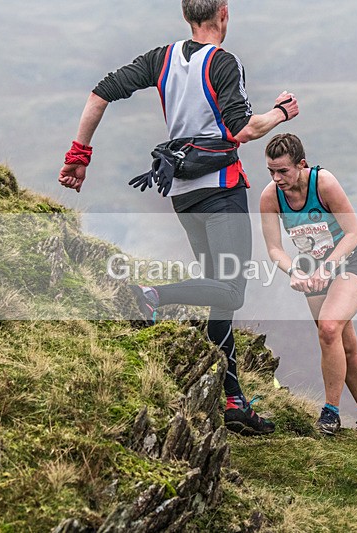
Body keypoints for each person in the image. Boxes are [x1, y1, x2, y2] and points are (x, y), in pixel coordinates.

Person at [58, 0, 299, 436]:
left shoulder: (161, 58)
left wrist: (79, 155)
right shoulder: (224, 63)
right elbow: (242, 130)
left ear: (186, 16)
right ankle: (150, 296)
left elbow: (99, 94)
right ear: (223, 13)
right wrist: (281, 113)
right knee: (230, 288)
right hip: (220, 189)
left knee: (219, 297)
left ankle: (231, 402)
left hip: (182, 193)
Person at [259, 133, 357, 437]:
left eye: (283, 171)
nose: (277, 178)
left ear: (301, 165)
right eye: (271, 172)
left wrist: (329, 267)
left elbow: (353, 232)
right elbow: (275, 249)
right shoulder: (270, 197)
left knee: (329, 328)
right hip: (311, 270)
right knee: (343, 341)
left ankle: (330, 412)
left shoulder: (323, 183)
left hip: (350, 261)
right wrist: (294, 272)